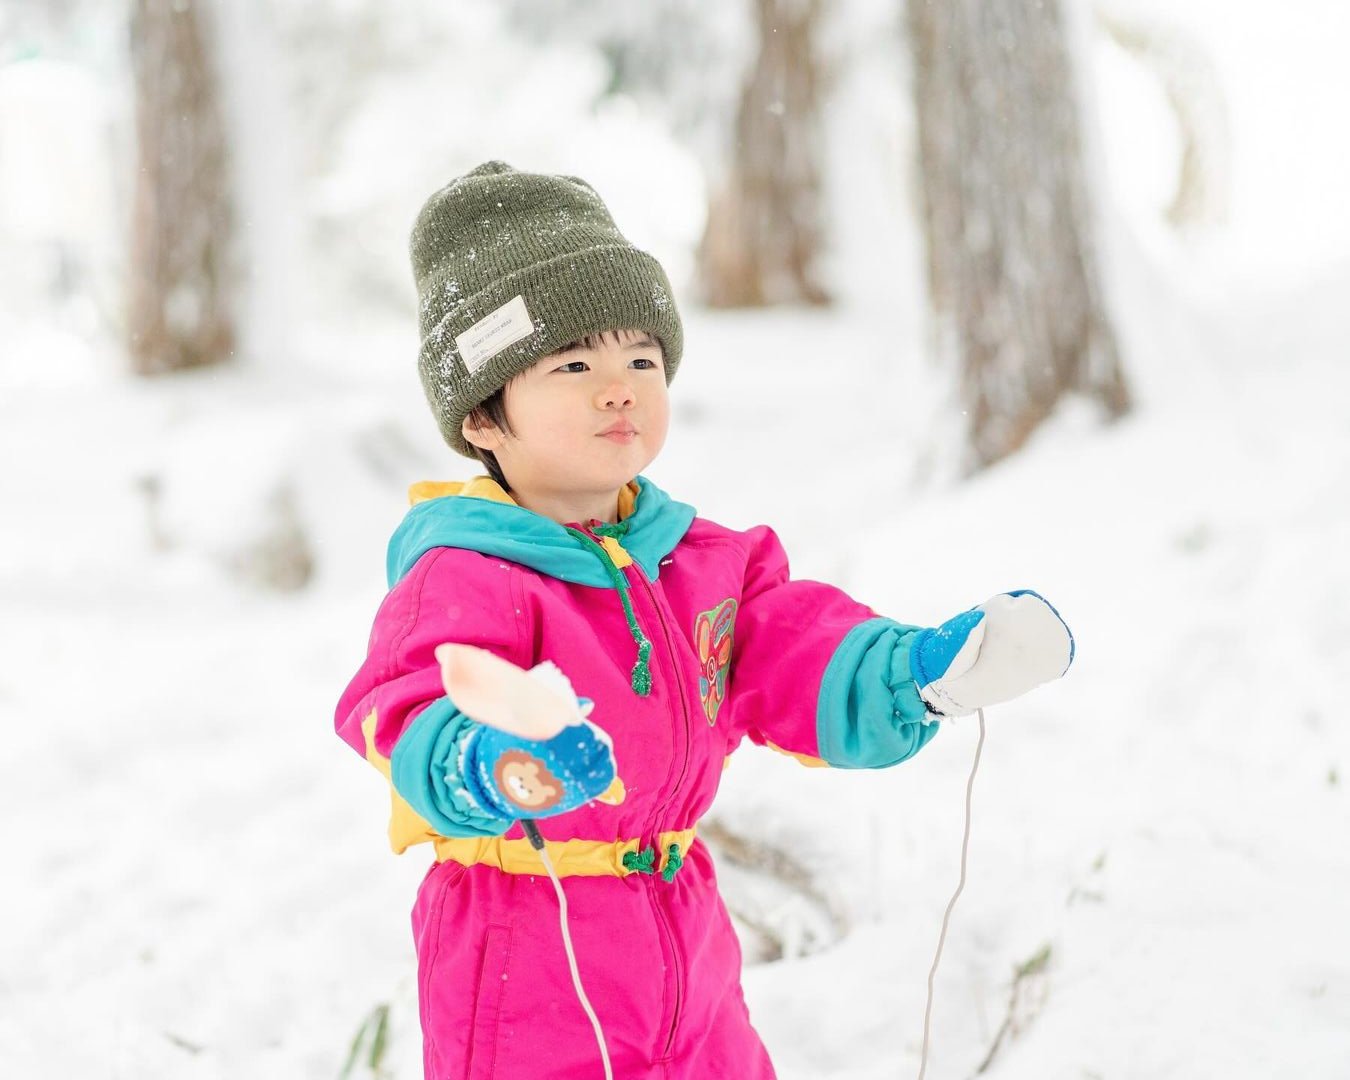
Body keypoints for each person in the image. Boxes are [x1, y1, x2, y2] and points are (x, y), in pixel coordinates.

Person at [333, 160, 1075, 1079]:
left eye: (642, 360)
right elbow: (403, 702)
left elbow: (788, 649)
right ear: (483, 420)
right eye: (574, 365)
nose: (620, 388)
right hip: (526, 943)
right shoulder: (465, 573)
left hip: (681, 923)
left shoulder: (695, 560)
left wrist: (912, 672)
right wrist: (494, 761)